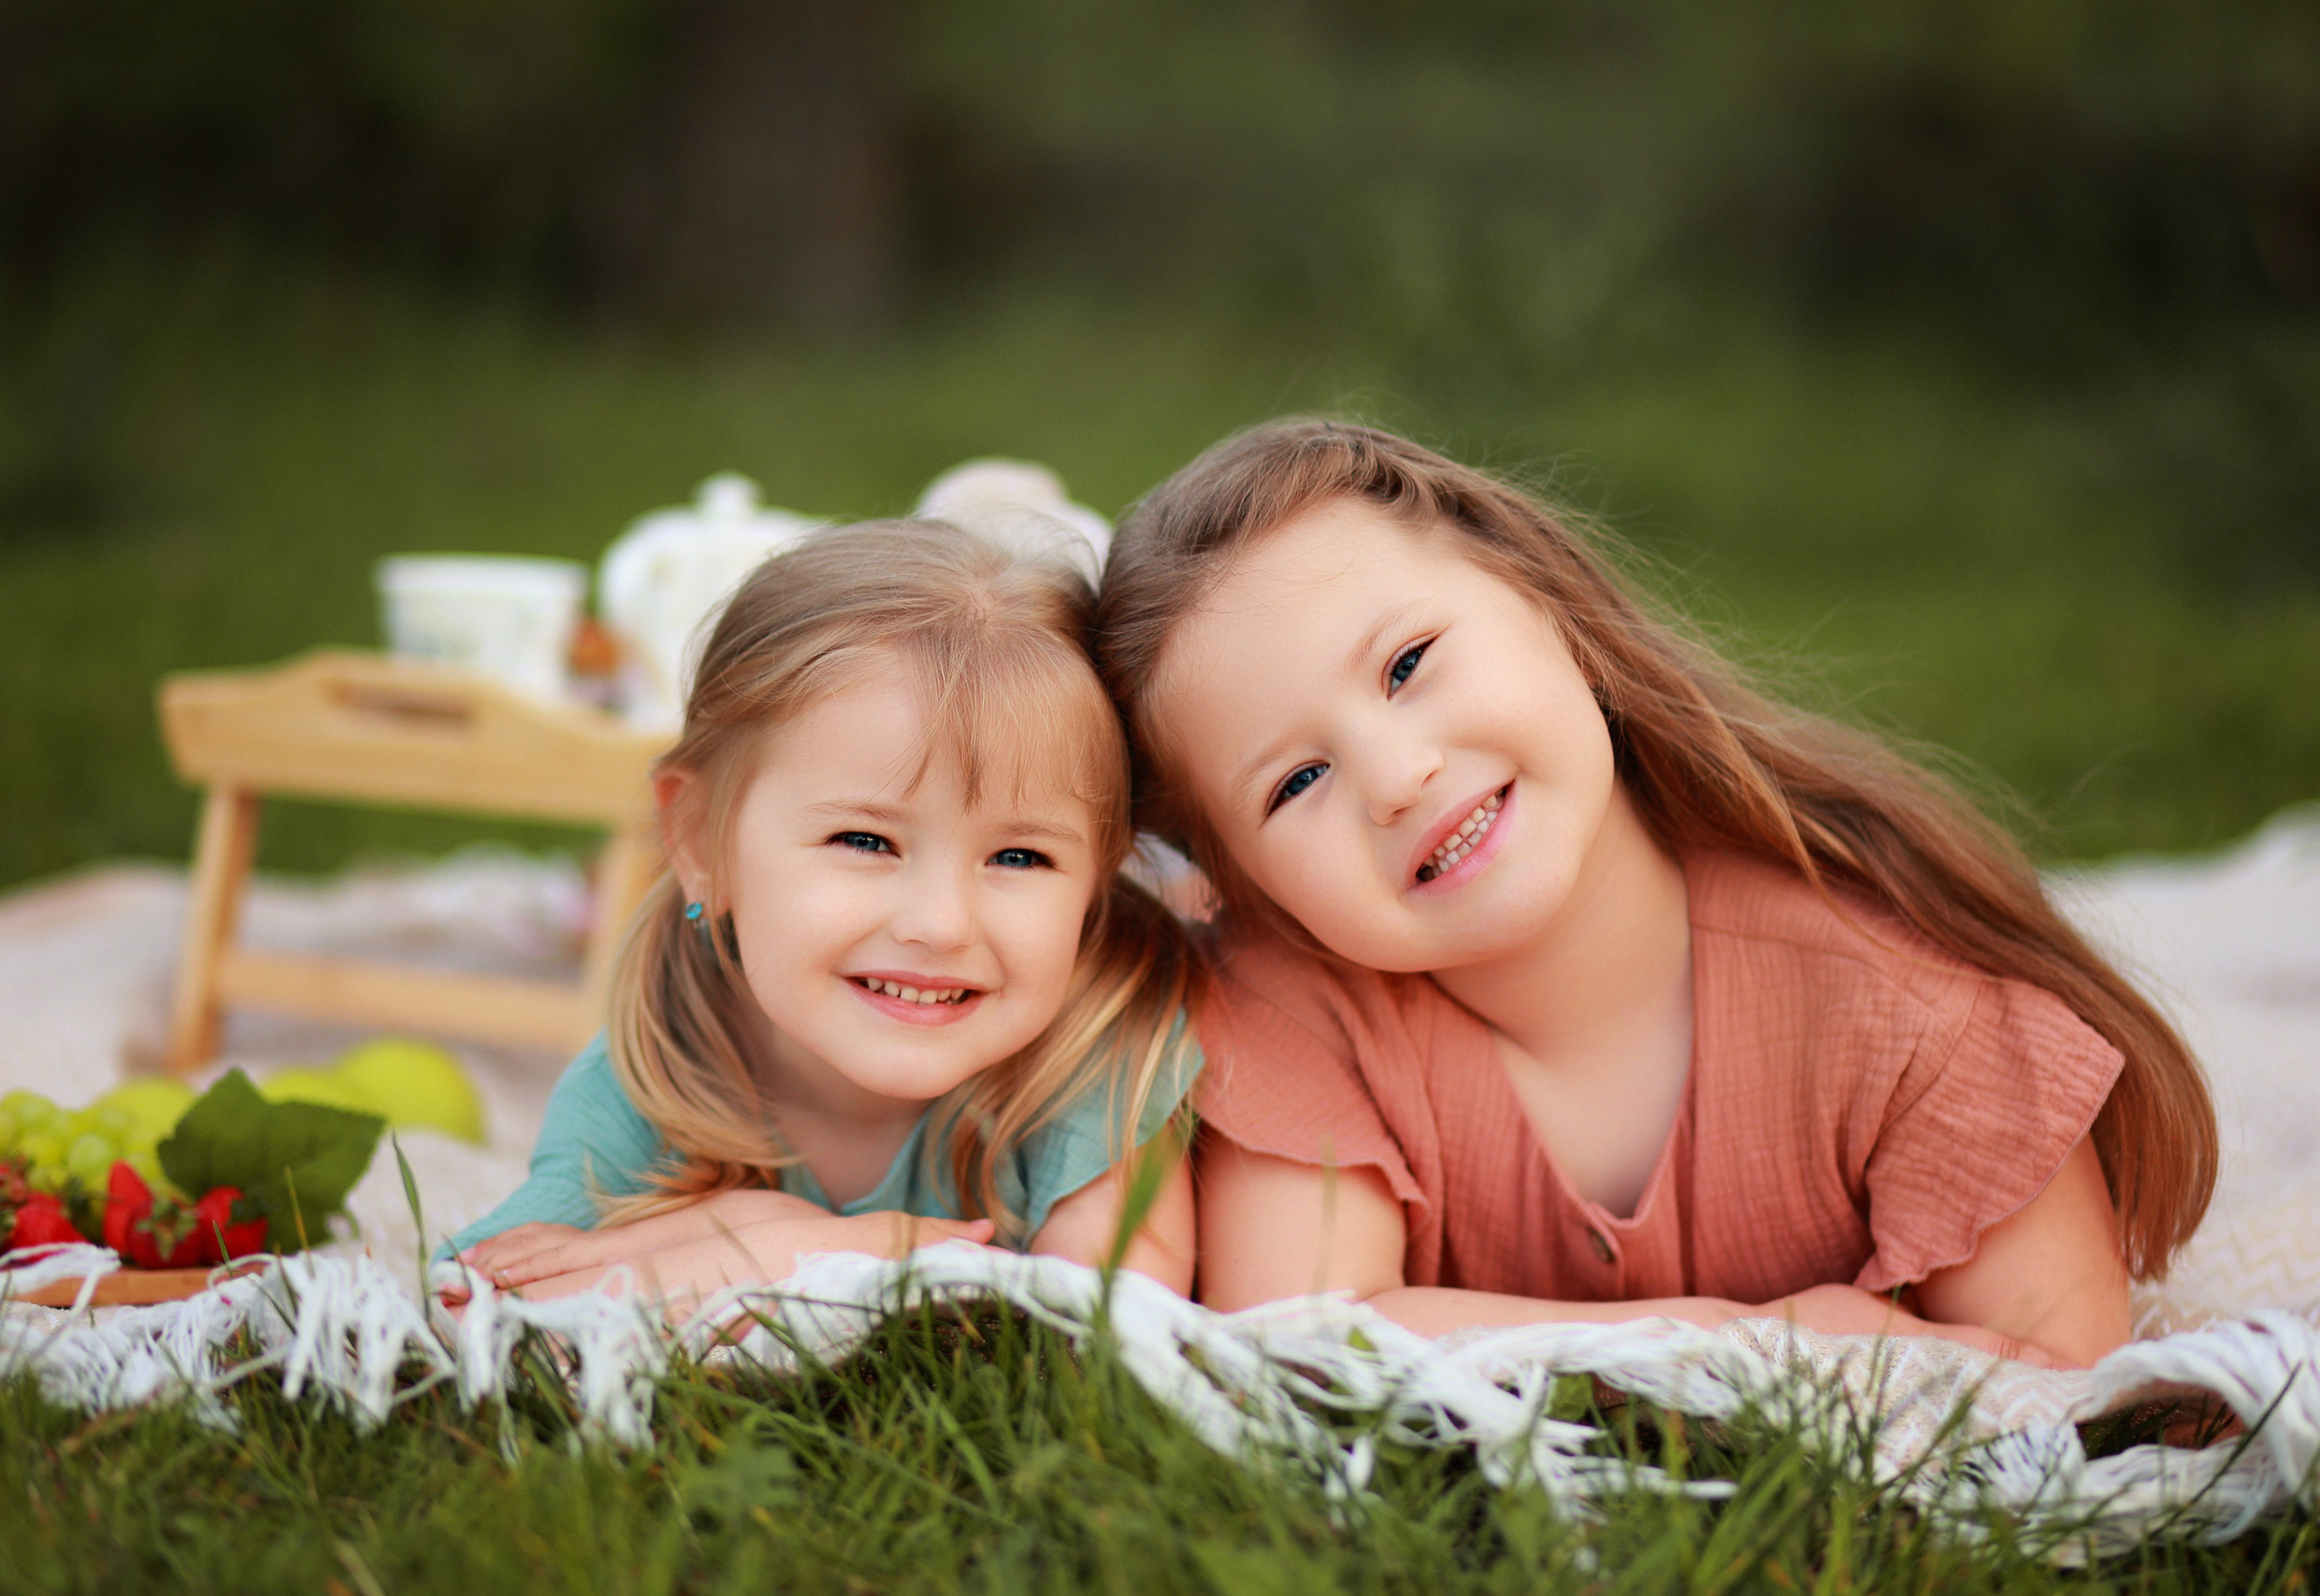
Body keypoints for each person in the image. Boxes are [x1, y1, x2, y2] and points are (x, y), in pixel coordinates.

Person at [1093, 418, 2215, 1368]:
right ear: (1239, 884)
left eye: (1407, 665)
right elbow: (1306, 1346)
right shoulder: (1284, 1008)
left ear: (1553, 611)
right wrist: (1757, 1340)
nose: (1395, 779)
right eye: (1296, 782)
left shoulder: (1900, 1002)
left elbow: (2062, 1379)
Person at [453, 520, 1202, 1301]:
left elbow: (1106, 1332)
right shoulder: (658, 1074)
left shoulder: (1106, 1060)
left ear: (1096, 883)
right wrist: (784, 1235)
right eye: (865, 840)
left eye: (1019, 857)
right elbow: (473, 1296)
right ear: (702, 840)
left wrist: (740, 1254)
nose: (941, 924)